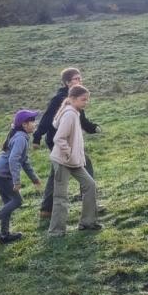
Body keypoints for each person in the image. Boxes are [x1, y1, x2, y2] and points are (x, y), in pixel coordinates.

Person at [36, 68, 100, 218]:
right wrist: (37, 137)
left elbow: (81, 119)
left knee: (56, 173)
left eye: (80, 79)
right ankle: (89, 202)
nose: (79, 81)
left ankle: (46, 209)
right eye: (76, 79)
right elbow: (46, 119)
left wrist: (92, 128)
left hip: (69, 141)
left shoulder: (75, 96)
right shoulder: (59, 98)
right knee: (85, 164)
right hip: (58, 140)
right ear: (67, 82)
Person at [49, 86, 101, 236]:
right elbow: (58, 138)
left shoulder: (75, 113)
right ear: (72, 99)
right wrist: (69, 153)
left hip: (73, 161)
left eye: (87, 99)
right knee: (61, 196)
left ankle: (88, 222)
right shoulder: (70, 114)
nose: (86, 102)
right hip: (62, 161)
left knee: (90, 185)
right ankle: (56, 231)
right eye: (83, 99)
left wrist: (74, 157)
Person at [0, 110, 42, 244]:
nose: (35, 124)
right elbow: (13, 160)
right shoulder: (21, 138)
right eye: (32, 121)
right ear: (24, 124)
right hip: (2, 174)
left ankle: (4, 235)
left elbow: (24, 161)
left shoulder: (20, 136)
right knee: (17, 201)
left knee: (8, 203)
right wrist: (16, 182)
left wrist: (34, 178)